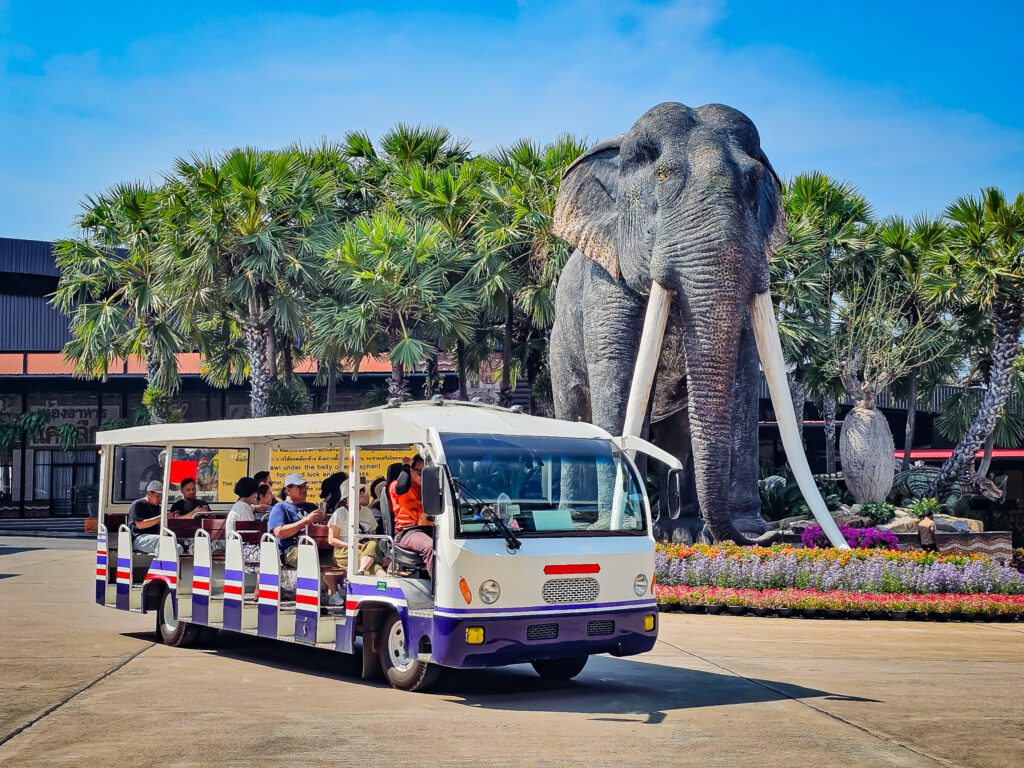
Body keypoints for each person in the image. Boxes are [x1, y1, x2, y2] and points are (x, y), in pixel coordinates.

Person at [323, 480, 385, 605]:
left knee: (372, 545)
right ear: (348, 496)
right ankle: (382, 577)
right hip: (343, 552)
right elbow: (331, 539)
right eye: (359, 491)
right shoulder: (340, 513)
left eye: (363, 491)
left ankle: (361, 570)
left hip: (364, 550)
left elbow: (373, 537)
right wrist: (353, 546)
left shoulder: (367, 512)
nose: (363, 494)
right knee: (370, 556)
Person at [390, 455, 434, 579]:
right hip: (407, 532)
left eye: (425, 472)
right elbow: (401, 487)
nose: (422, 476)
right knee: (430, 546)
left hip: (430, 530)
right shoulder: (398, 485)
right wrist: (405, 465)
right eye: (419, 472)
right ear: (410, 470)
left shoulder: (430, 488)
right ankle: (439, 590)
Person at [268, 473, 325, 567]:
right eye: (299, 487)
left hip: (316, 547)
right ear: (287, 490)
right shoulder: (280, 508)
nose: (304, 489)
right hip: (291, 549)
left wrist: (324, 522)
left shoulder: (311, 507)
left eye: (305, 486)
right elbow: (280, 533)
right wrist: (306, 521)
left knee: (342, 557)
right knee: (309, 557)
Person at [128, 481, 182, 555]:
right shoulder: (138, 504)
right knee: (160, 541)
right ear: (148, 494)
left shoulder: (158, 507)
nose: (160, 499)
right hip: (139, 538)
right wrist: (162, 517)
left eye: (161, 496)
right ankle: (161, 564)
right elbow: (140, 525)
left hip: (155, 537)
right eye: (157, 496)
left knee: (178, 547)